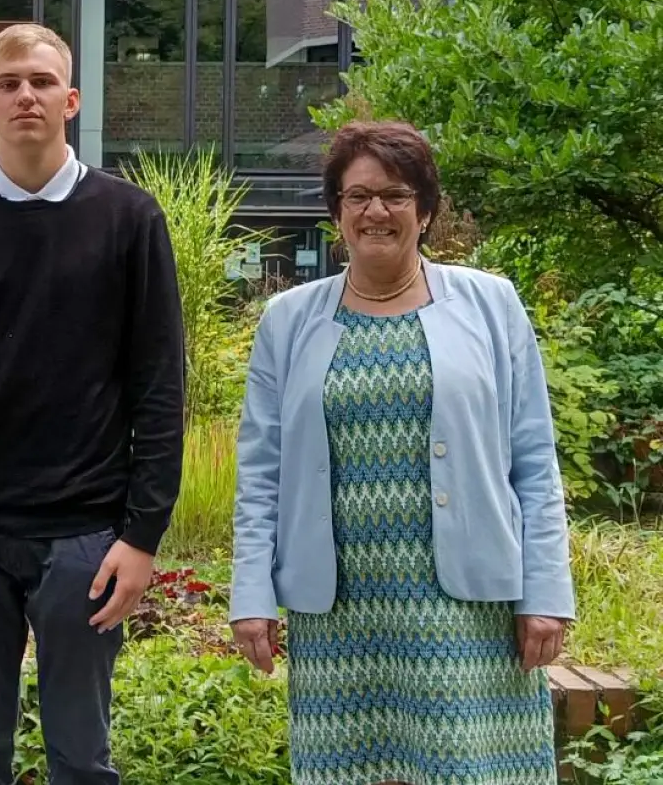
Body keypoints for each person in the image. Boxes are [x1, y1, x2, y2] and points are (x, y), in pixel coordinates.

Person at [0, 22, 187, 785]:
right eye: (10, 83)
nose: (27, 95)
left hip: (86, 537)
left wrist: (142, 536)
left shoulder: (130, 220)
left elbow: (159, 390)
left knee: (83, 762)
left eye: (42, 82)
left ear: (71, 100)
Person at [229, 120, 575, 785]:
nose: (375, 212)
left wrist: (547, 592)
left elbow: (533, 458)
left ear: (426, 209)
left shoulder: (490, 303)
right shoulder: (289, 321)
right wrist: (251, 594)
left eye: (394, 195)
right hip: (339, 609)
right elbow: (261, 473)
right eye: (356, 197)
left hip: (468, 606)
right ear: (336, 212)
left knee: (470, 771)